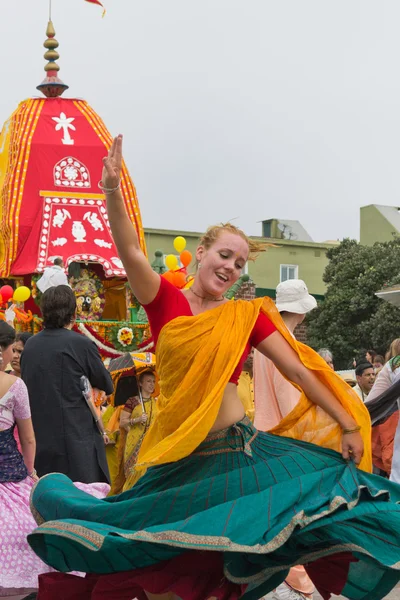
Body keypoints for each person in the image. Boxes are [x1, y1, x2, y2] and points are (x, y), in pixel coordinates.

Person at [28, 137, 400, 600]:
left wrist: (348, 422)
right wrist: (111, 192)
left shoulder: (246, 315)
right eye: (225, 255)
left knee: (252, 556)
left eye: (240, 263)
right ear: (202, 251)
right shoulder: (164, 299)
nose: (231, 267)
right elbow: (129, 249)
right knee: (169, 568)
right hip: (179, 463)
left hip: (239, 457)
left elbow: (300, 374)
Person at [0, 322, 110, 598]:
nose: (13, 355)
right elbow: (28, 439)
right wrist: (29, 474)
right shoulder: (15, 386)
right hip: (11, 478)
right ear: (2, 351)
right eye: (12, 349)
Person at [253, 279, 317, 600]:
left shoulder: (266, 342)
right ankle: (293, 584)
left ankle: (278, 581)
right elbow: (290, 402)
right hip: (286, 443)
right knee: (294, 519)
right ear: (302, 312)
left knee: (275, 517)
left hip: (263, 439)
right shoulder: (287, 345)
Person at [21, 285, 113, 483]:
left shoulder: (30, 346)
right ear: (73, 312)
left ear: (43, 312)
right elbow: (106, 383)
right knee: (82, 501)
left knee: (44, 502)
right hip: (76, 441)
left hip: (40, 439)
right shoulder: (81, 344)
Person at [115, 369, 157, 493]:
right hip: (134, 444)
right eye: (148, 381)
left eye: (154, 381)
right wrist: (137, 419)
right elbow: (123, 422)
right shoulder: (132, 401)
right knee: (133, 475)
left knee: (148, 473)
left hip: (150, 443)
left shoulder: (156, 402)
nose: (152, 384)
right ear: (140, 383)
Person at [237, 349, 255, 422]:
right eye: (248, 352)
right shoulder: (232, 382)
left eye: (253, 352)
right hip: (242, 431)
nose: (251, 356)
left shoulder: (264, 378)